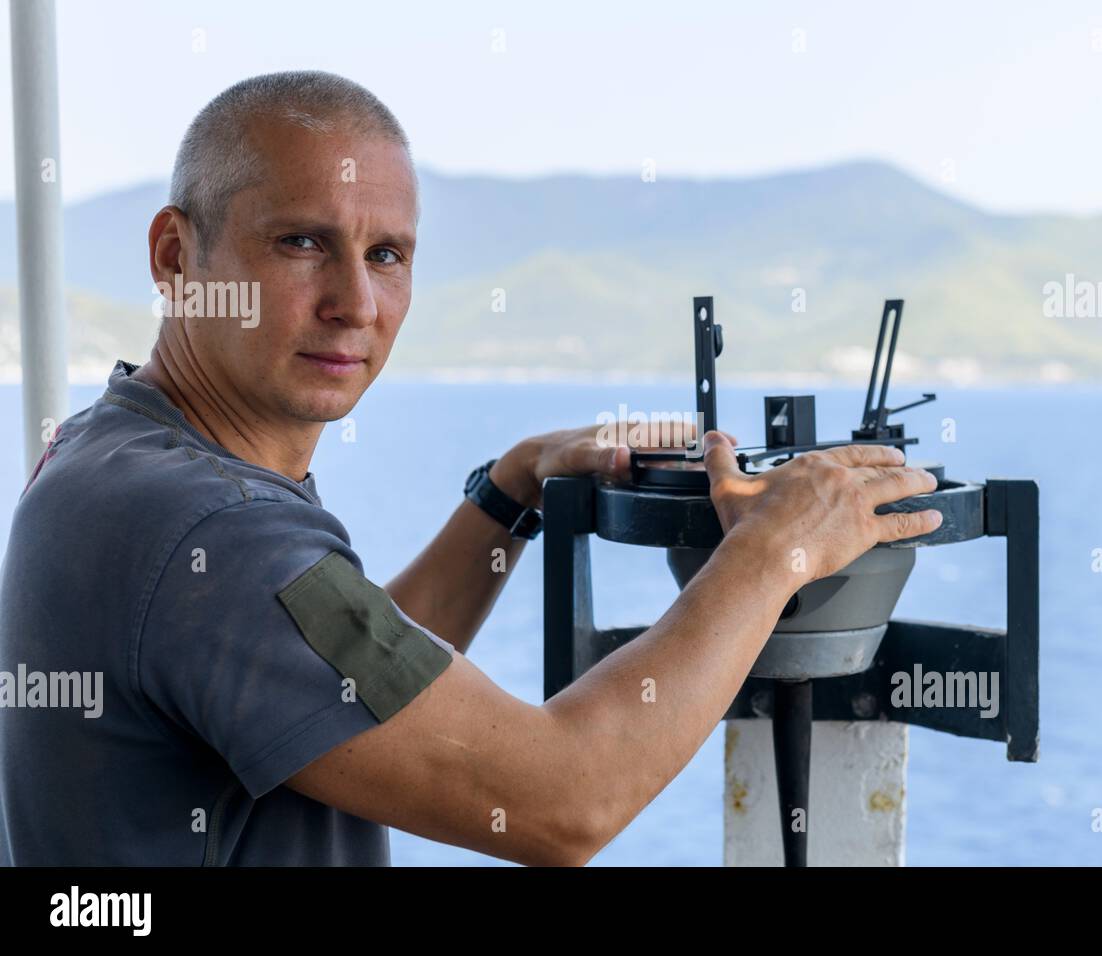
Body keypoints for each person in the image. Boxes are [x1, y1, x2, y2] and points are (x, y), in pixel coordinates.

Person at [0, 71, 941, 866]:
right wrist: (775, 553)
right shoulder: (212, 531)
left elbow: (339, 680)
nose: (355, 302)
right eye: (301, 243)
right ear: (176, 255)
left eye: (387, 254)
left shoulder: (109, 453)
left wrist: (511, 489)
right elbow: (565, 799)